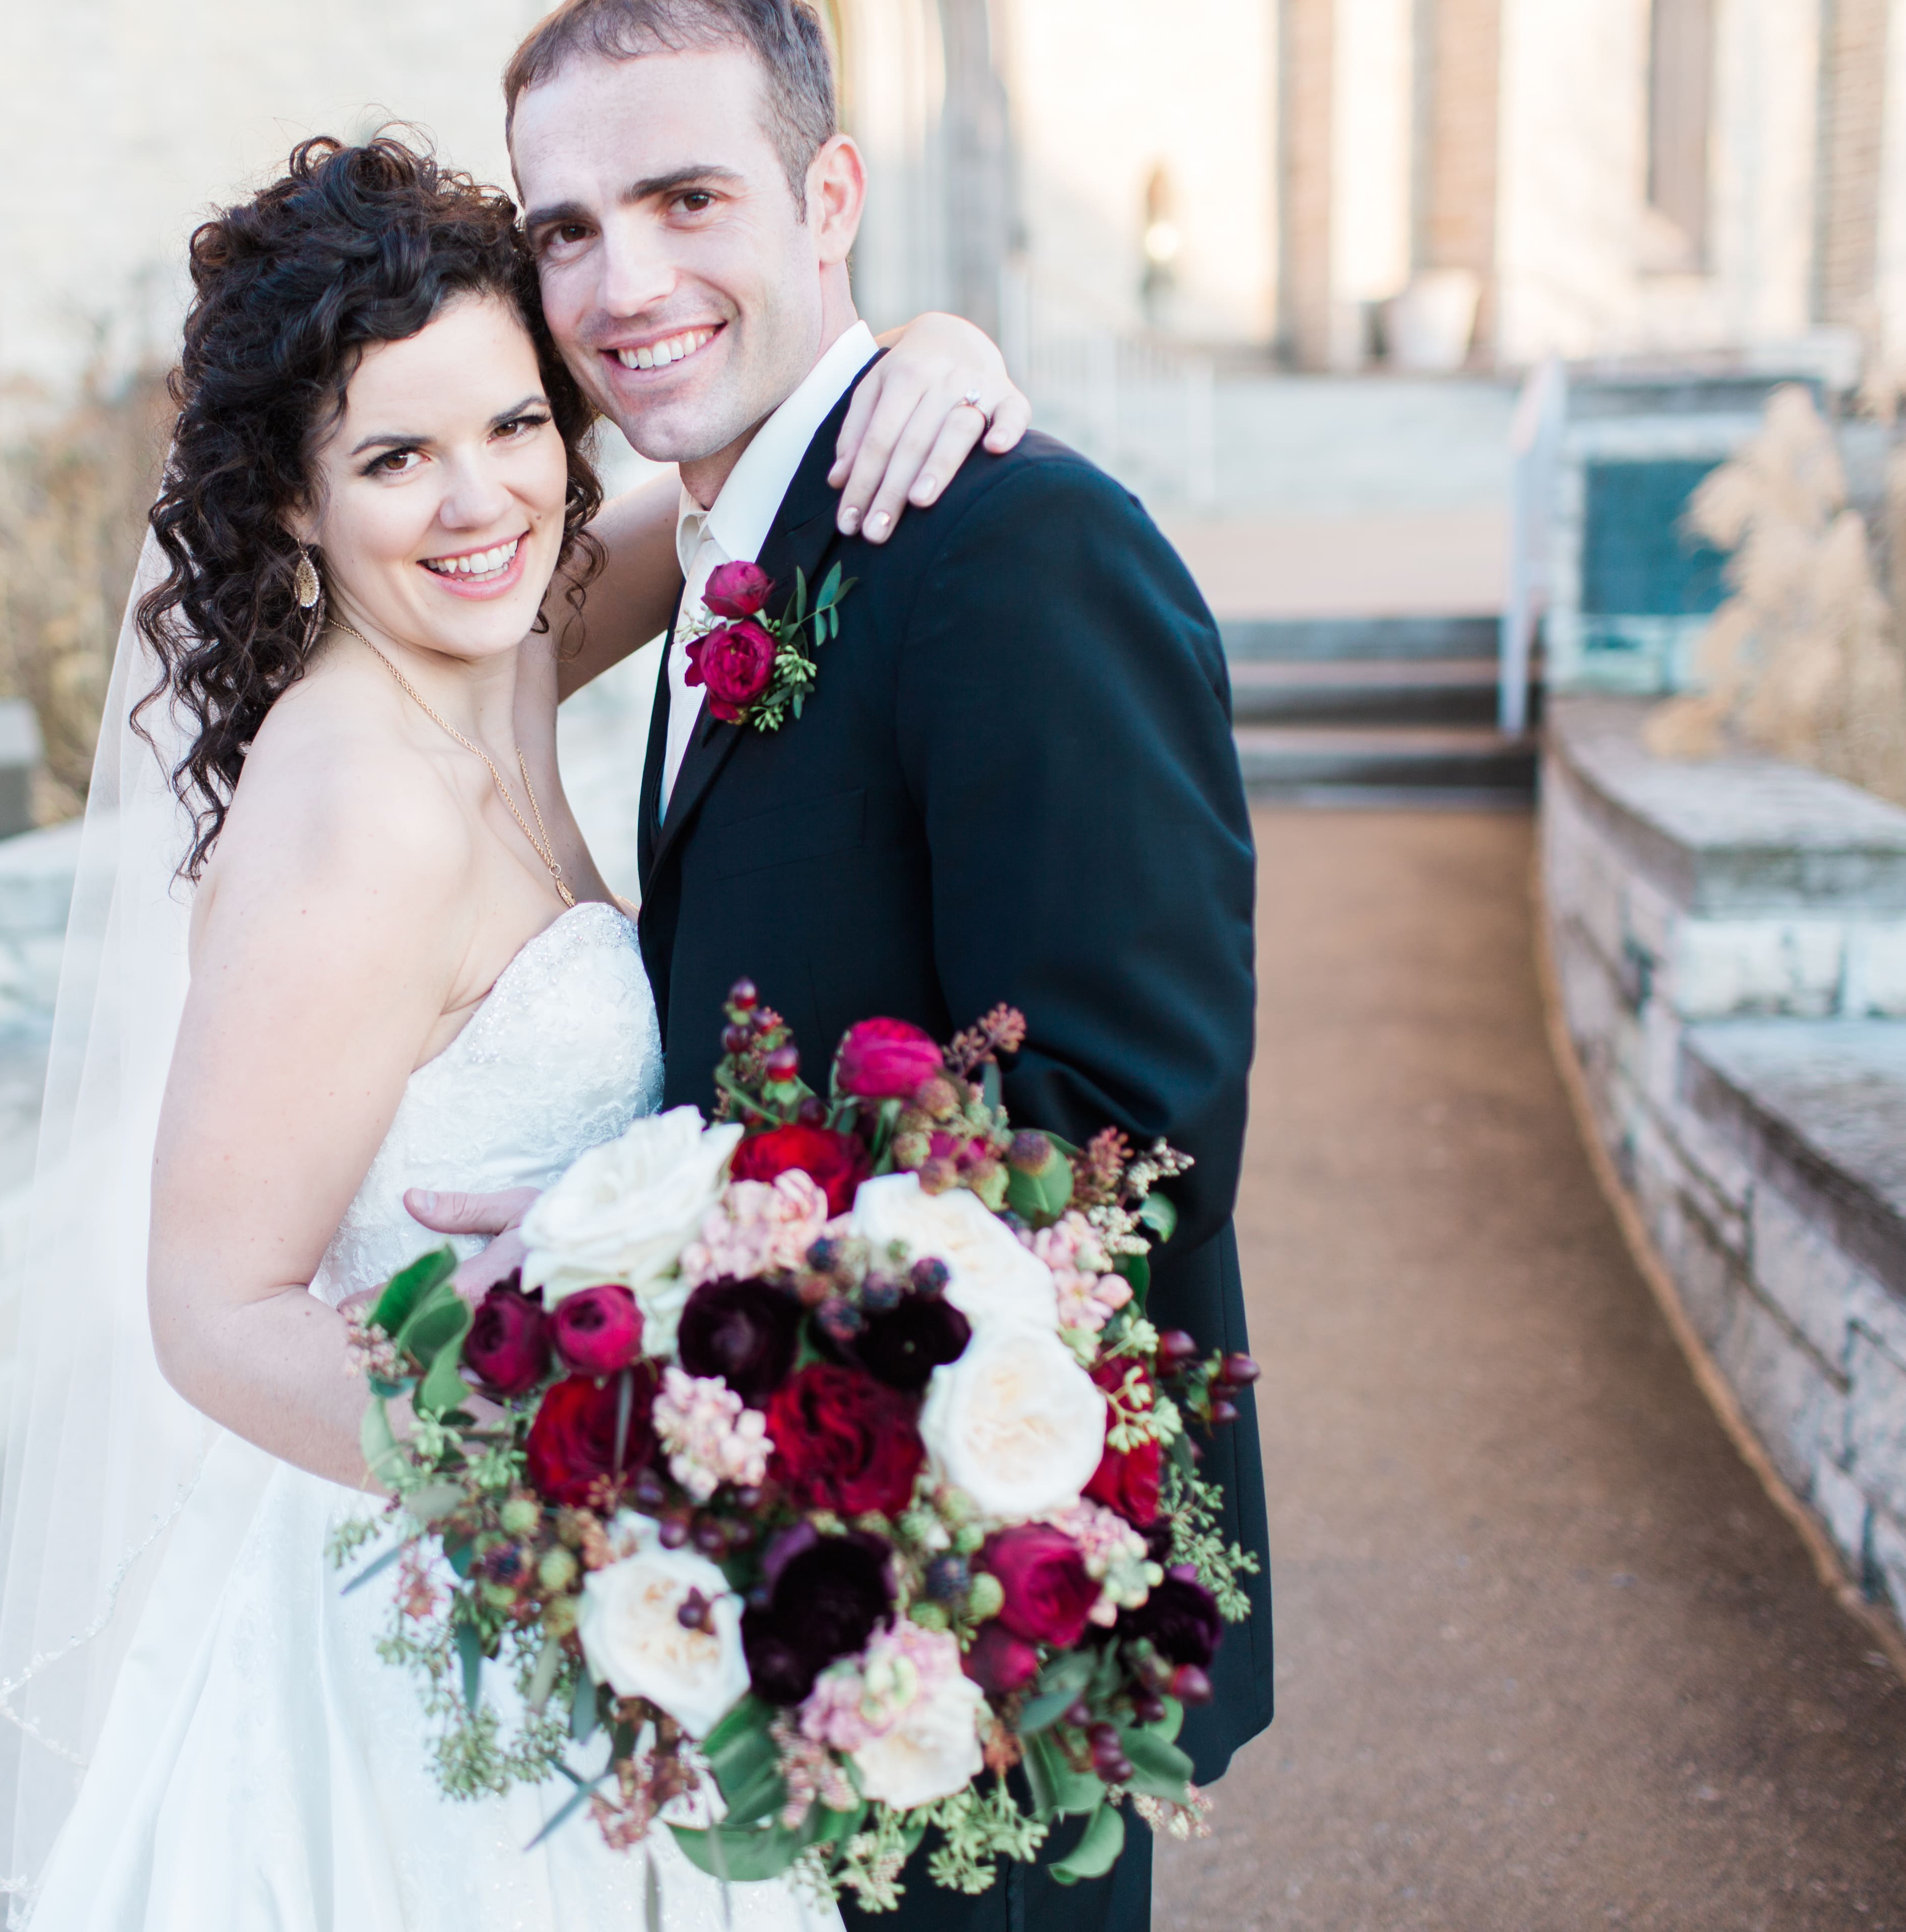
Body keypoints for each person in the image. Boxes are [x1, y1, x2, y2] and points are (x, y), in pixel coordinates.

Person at [0, 134, 1026, 1929]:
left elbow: (767, 486)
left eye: (516, 424)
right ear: (292, 502)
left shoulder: (504, 632)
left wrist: (938, 355)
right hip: (442, 1615)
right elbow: (211, 1312)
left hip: (589, 1577)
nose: (480, 501)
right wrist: (584, 1482)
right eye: (395, 458)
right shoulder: (361, 816)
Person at [411, 4, 1274, 1927]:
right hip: (767, 1591)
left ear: (828, 198)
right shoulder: (733, 533)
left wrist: (630, 1258)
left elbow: (1132, 1125)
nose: (624, 284)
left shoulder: (1021, 551)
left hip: (977, 1602)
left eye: (687, 199)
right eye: (567, 230)